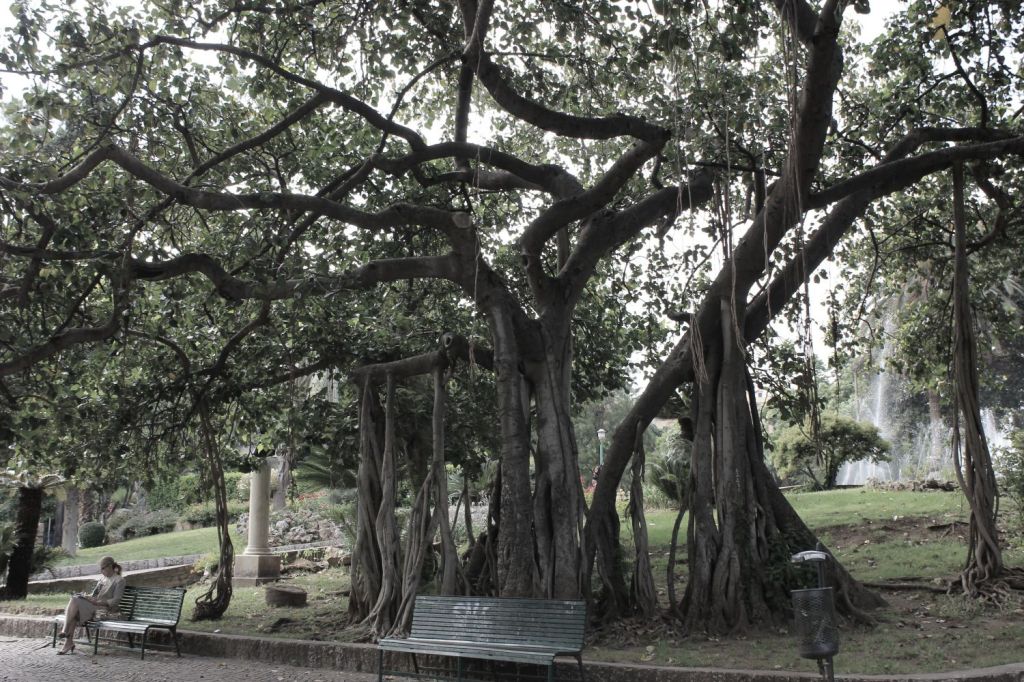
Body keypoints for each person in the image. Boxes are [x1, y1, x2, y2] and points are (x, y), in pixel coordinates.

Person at [56, 556, 125, 654]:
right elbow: (95, 595)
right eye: (100, 568)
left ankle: (65, 633)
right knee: (75, 600)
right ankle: (68, 641)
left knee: (74, 604)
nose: (101, 571)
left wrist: (98, 602)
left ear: (110, 566)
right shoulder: (102, 579)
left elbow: (116, 600)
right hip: (93, 606)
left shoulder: (119, 580)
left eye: (103, 568)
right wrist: (87, 597)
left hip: (104, 609)